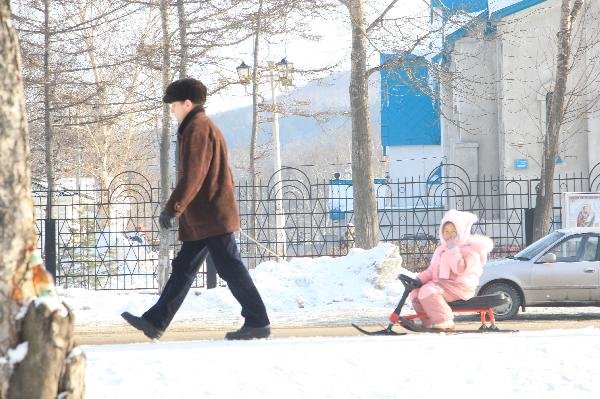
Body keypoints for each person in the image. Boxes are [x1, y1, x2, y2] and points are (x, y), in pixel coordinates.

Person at [121, 78, 270, 340]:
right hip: (205, 217)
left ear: (188, 104)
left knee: (230, 267)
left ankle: (258, 321)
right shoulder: (196, 127)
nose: (172, 110)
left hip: (211, 216)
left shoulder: (197, 129)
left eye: (174, 105)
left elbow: (193, 175)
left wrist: (173, 208)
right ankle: (156, 321)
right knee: (184, 269)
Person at [407, 209, 493, 330]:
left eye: (453, 231)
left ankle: (444, 321)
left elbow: (460, 269)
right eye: (446, 231)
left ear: (461, 232)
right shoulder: (441, 249)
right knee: (416, 293)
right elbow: (432, 270)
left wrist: (452, 249)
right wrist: (418, 280)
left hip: (459, 286)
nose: (449, 234)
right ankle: (429, 322)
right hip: (443, 285)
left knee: (429, 291)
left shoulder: (471, 250)